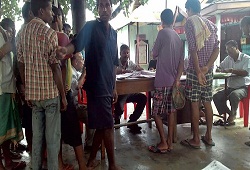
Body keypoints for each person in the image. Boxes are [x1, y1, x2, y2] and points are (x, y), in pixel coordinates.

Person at [56, 0, 120, 169]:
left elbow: (114, 63)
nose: (104, 9)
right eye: (101, 5)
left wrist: (114, 86)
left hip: (107, 87)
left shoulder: (114, 33)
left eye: (107, 5)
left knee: (102, 125)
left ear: (111, 8)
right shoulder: (91, 27)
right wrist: (65, 50)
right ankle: (113, 165)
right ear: (97, 9)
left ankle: (91, 160)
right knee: (108, 125)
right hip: (96, 86)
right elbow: (76, 43)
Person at [17, 0, 67, 169]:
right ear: (40, 11)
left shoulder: (21, 33)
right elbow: (55, 69)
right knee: (52, 140)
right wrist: (63, 96)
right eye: (49, 10)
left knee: (37, 139)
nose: (52, 13)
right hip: (50, 95)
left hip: (34, 97)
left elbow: (21, 63)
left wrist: (26, 88)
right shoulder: (49, 33)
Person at [50, 6, 88, 170]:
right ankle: (82, 165)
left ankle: (59, 163)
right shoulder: (60, 37)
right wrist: (64, 94)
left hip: (48, 92)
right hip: (63, 90)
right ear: (58, 18)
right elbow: (63, 67)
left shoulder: (42, 36)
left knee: (55, 130)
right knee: (73, 130)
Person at [180, 0, 220, 149]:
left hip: (194, 71)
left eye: (187, 11)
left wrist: (197, 71)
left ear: (189, 9)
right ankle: (208, 136)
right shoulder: (212, 25)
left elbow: (193, 49)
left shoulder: (190, 22)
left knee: (195, 104)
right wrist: (206, 68)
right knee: (208, 103)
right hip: (208, 71)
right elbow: (217, 49)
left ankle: (196, 139)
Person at [147, 9, 184, 153]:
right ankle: (170, 142)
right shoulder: (178, 37)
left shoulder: (162, 33)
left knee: (155, 113)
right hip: (173, 81)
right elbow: (182, 62)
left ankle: (163, 142)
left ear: (162, 20)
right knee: (171, 112)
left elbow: (154, 54)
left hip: (162, 80)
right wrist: (177, 79)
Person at [0, 16, 26, 170]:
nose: (11, 33)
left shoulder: (2, 32)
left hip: (7, 87)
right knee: (1, 128)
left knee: (5, 130)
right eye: (10, 30)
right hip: (1, 89)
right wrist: (5, 49)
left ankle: (8, 161)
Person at [213, 40, 250, 126]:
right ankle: (230, 114)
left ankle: (233, 114)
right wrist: (219, 69)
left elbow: (245, 72)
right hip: (230, 87)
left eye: (230, 48)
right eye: (227, 49)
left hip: (243, 88)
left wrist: (231, 70)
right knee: (216, 96)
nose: (228, 51)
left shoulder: (246, 58)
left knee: (234, 95)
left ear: (236, 48)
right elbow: (220, 67)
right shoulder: (228, 59)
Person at [114, 44, 146, 134]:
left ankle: (132, 121)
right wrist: (124, 71)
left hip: (130, 92)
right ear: (120, 53)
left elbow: (139, 69)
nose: (126, 55)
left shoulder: (130, 63)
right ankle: (117, 117)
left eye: (127, 53)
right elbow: (113, 71)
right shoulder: (115, 62)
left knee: (143, 98)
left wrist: (140, 69)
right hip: (118, 93)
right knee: (120, 101)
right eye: (124, 53)